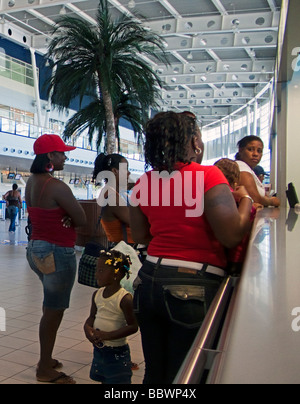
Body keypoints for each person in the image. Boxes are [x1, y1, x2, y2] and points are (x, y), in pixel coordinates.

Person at [129, 111, 253, 384]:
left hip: (148, 280)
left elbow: (139, 234)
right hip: (192, 284)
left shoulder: (143, 182)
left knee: (155, 372)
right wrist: (245, 202)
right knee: (184, 373)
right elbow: (231, 236)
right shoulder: (209, 176)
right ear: (195, 142)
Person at [25, 134, 86, 384]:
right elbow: (82, 218)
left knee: (50, 305)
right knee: (54, 309)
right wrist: (70, 218)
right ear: (50, 156)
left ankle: (46, 357)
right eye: (61, 152)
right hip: (56, 251)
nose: (65, 156)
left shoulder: (31, 182)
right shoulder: (56, 186)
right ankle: (44, 368)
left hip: (36, 249)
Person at [84, 247, 138, 384]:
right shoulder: (97, 294)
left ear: (117, 274)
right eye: (97, 270)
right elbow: (92, 317)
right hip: (99, 350)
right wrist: (87, 329)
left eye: (101, 271)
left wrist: (107, 336)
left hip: (117, 353)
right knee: (104, 379)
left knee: (117, 381)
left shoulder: (124, 299)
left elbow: (133, 326)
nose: (97, 274)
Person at [214, 158, 257, 274]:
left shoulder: (211, 193)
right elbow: (250, 214)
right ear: (236, 181)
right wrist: (247, 200)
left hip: (219, 256)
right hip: (237, 257)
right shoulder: (238, 196)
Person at [92, 153, 134, 245]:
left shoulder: (110, 192)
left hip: (121, 245)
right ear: (115, 171)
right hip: (124, 249)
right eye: (126, 169)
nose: (129, 173)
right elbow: (136, 223)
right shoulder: (112, 197)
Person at [235, 136, 280, 207]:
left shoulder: (249, 170)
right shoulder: (241, 166)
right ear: (240, 151)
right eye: (250, 149)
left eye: (259, 151)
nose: (255, 154)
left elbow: (262, 197)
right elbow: (254, 198)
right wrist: (272, 201)